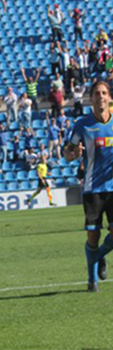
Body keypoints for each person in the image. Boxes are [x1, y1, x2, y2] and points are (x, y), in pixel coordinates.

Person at [64, 81, 113, 292]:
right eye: (96, 93)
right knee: (93, 236)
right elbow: (68, 152)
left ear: (110, 98)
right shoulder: (82, 125)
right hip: (93, 189)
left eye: (104, 93)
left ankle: (99, 256)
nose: (100, 96)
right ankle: (92, 279)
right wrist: (73, 154)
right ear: (91, 98)